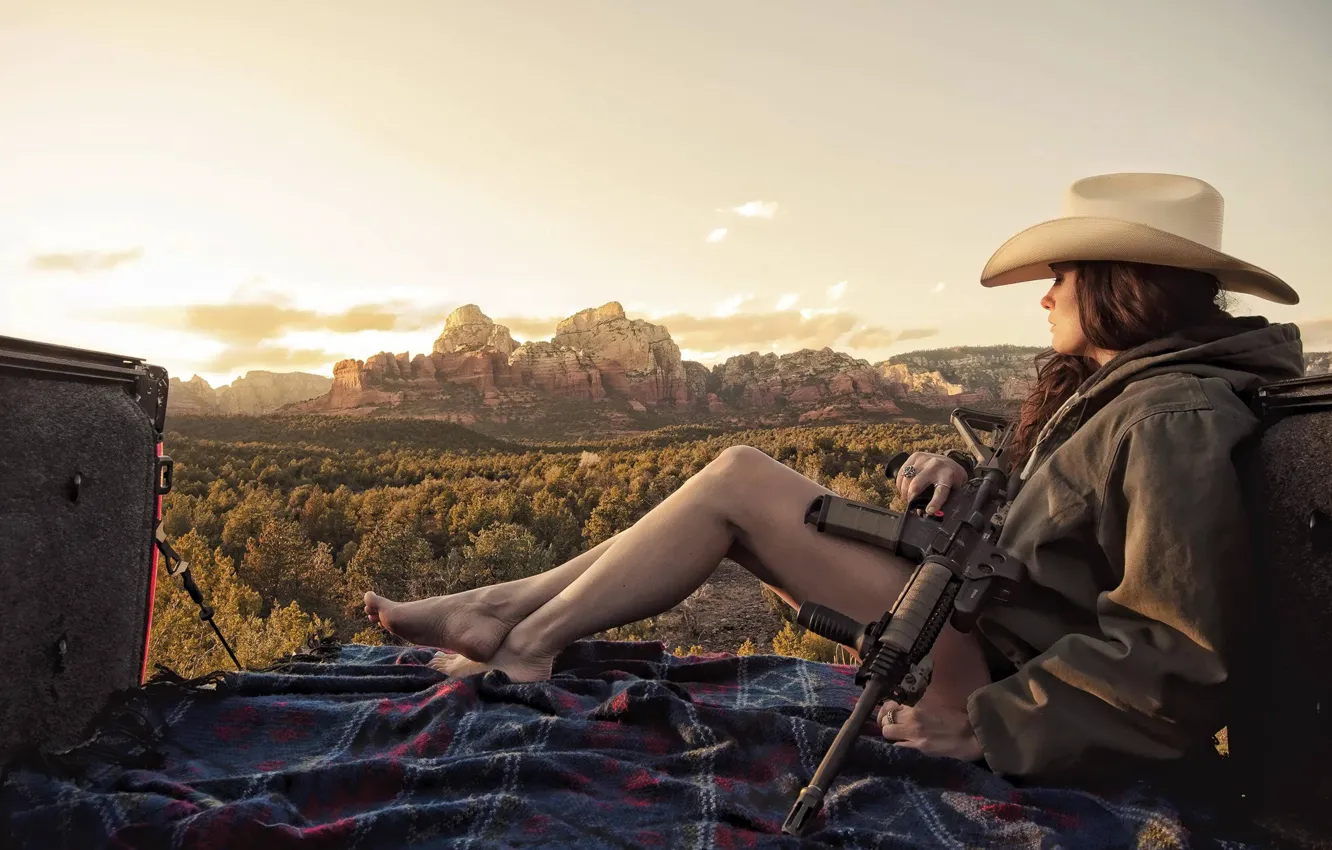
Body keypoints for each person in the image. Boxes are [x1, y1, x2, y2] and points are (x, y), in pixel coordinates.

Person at [364, 173, 1303, 783]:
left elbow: (1178, 652)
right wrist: (962, 473)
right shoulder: (1131, 393)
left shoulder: (1172, 415)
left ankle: (522, 635)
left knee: (736, 478)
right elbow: (1072, 529)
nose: (1048, 295)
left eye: (1064, 276)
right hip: (969, 616)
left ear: (1116, 283)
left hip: (982, 669)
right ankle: (504, 610)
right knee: (731, 481)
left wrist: (990, 726)